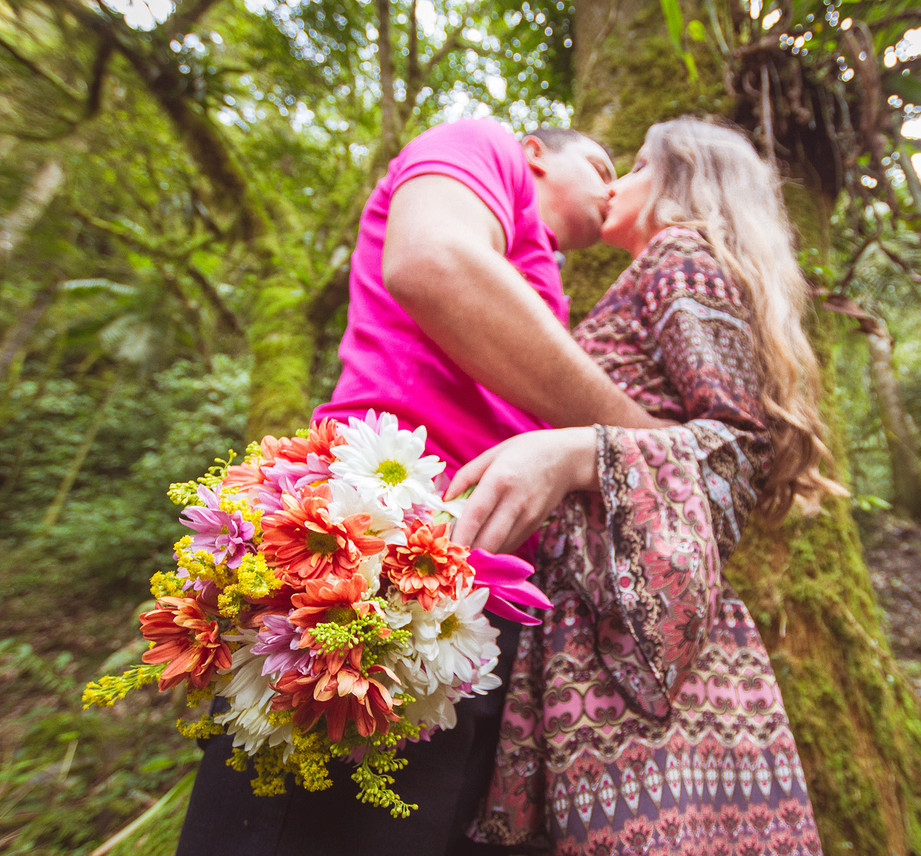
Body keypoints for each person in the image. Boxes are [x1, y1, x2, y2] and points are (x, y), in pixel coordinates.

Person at [175, 118, 665, 856]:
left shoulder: (546, 274)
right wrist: (643, 444)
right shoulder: (483, 144)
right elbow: (432, 260)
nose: (611, 184)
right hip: (365, 537)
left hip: (483, 593)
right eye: (600, 163)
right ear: (535, 153)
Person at [447, 117, 840, 855]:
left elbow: (740, 450)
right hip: (607, 624)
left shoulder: (680, 258)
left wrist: (575, 454)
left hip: (646, 639)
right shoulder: (660, 268)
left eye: (629, 166)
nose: (613, 184)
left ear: (678, 179)